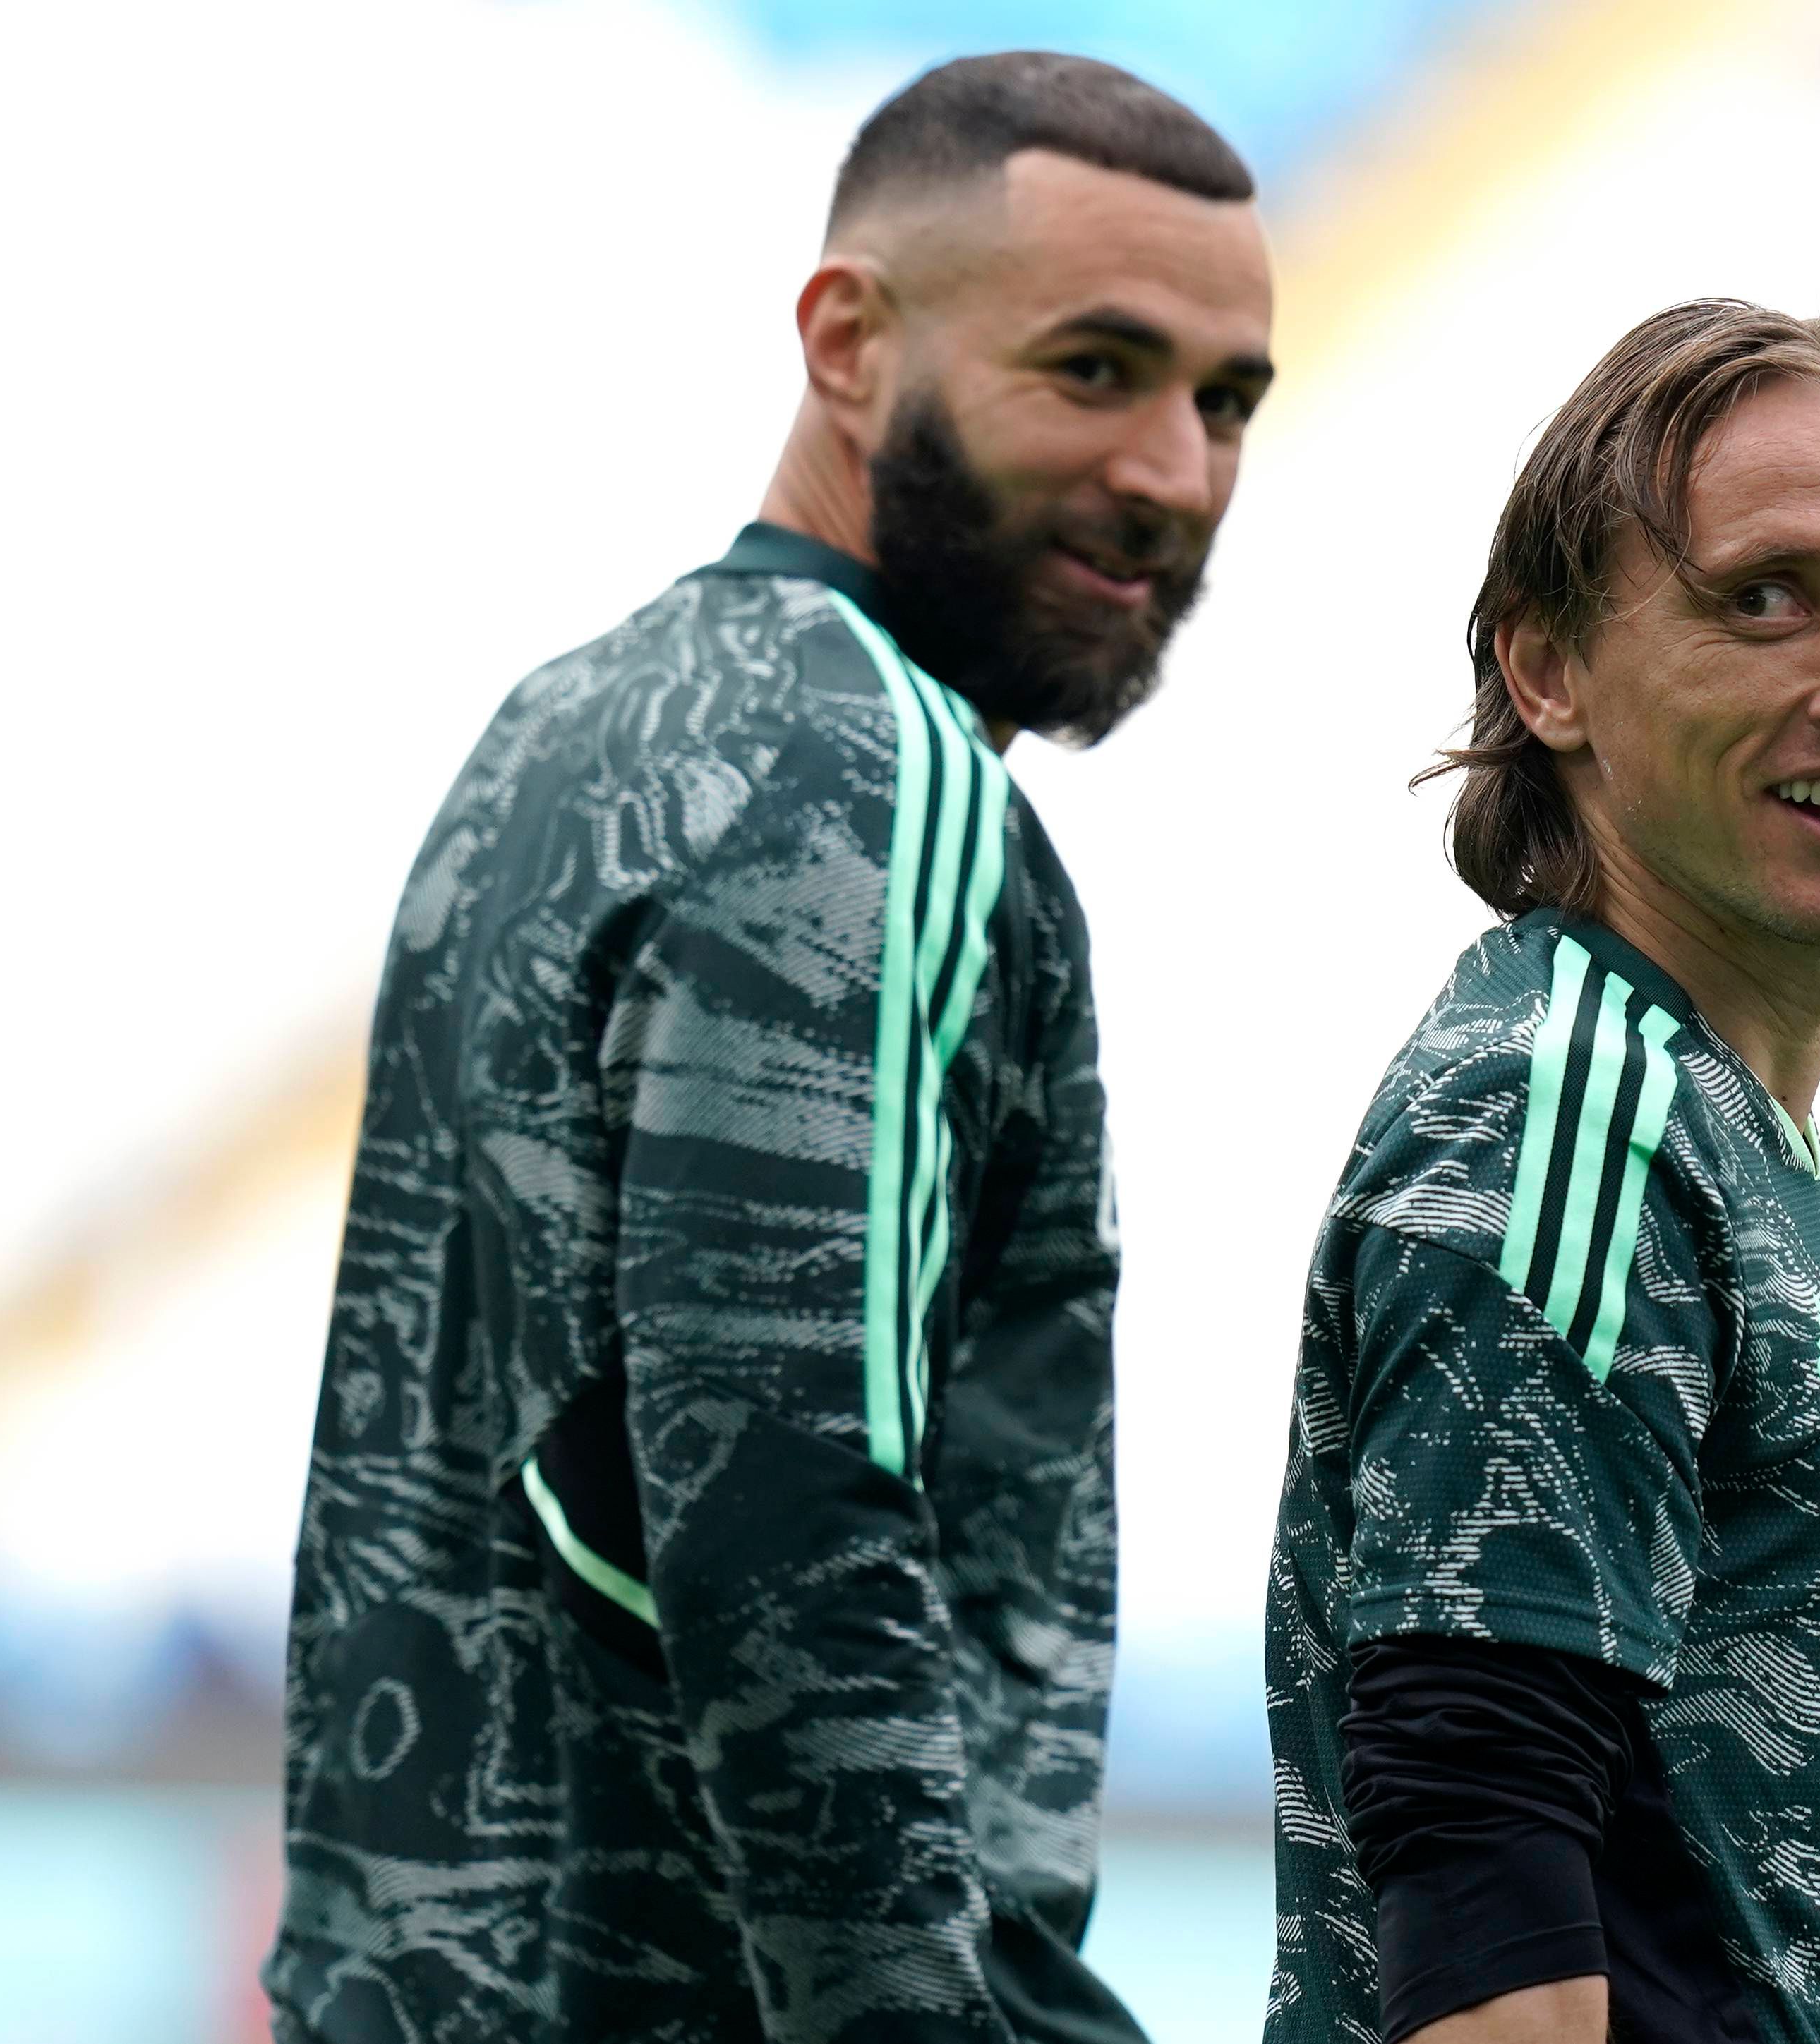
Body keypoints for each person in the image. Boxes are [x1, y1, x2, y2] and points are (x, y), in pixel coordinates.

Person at [266, 52, 1274, 2043]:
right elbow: (790, 1516)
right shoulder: (871, 778)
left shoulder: (557, 728)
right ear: (847, 340)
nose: (1174, 470)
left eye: (1226, 401)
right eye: (1094, 368)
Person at [1263, 299, 1820, 2044]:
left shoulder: (1703, 1117)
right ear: (1547, 672)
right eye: (1761, 598)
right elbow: (1478, 1853)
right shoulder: (1571, 1120)